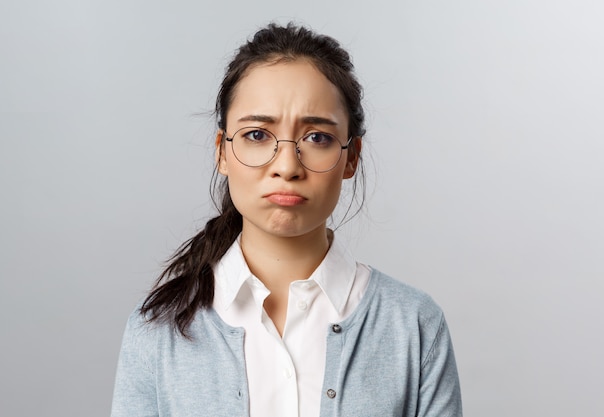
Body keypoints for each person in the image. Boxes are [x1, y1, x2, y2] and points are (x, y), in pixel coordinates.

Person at [111, 22, 462, 417]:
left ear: (351, 156)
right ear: (222, 151)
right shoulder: (157, 331)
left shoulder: (413, 325)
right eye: (258, 134)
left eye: (317, 138)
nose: (287, 166)